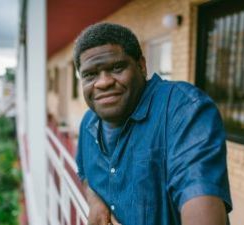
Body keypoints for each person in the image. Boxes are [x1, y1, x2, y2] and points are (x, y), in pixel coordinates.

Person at [74, 22, 232, 225]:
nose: (103, 82)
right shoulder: (89, 122)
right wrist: (95, 201)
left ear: (141, 65)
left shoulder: (183, 109)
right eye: (90, 74)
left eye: (116, 67)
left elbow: (197, 191)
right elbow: (84, 173)